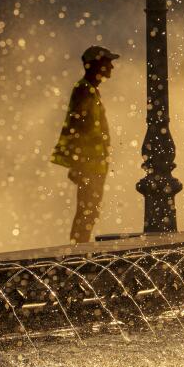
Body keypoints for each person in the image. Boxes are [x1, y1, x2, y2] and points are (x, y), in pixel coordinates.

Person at [51, 45, 119, 243]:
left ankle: (80, 249)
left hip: (94, 163)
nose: (112, 68)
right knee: (87, 211)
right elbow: (77, 127)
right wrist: (76, 164)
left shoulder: (90, 90)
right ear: (97, 65)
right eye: (108, 63)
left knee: (90, 210)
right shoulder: (84, 90)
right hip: (88, 164)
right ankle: (79, 253)